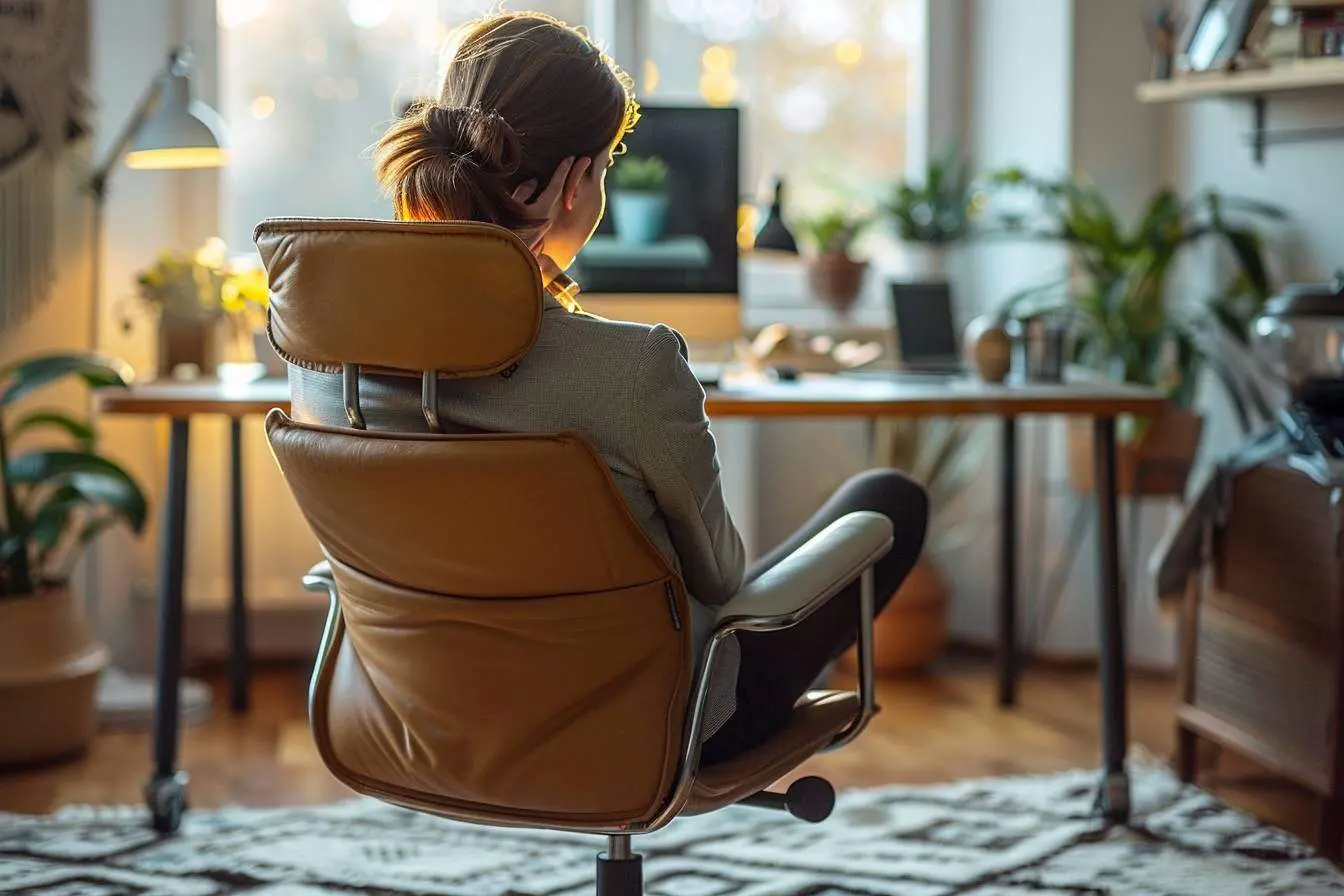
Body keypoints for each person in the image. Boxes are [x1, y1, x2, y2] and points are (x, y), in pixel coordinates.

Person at [287, 11, 927, 765]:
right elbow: (720, 577)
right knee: (890, 500)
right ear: (575, 181)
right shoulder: (633, 369)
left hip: (419, 723)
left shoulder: (322, 353)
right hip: (650, 730)